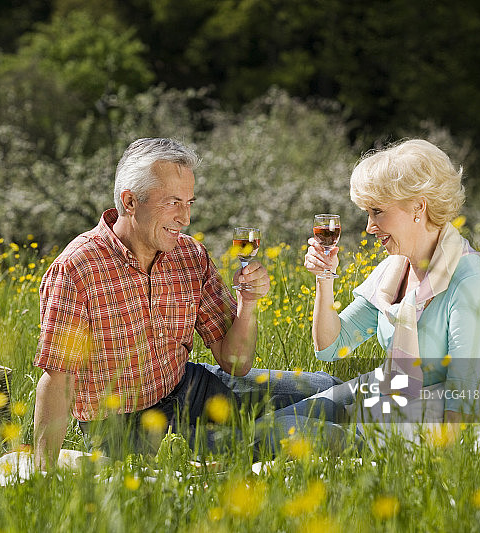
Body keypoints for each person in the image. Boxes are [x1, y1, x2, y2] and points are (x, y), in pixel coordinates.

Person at [32, 138, 338, 468]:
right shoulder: (77, 269)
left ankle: (380, 417)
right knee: (310, 430)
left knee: (328, 388)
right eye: (174, 203)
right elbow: (58, 380)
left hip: (188, 385)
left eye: (189, 203)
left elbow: (236, 364)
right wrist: (41, 472)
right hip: (126, 426)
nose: (186, 218)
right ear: (130, 201)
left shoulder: (190, 255)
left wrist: (247, 303)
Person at [287, 139, 480, 436]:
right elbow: (331, 347)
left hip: (419, 420)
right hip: (383, 391)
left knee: (286, 432)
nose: (369, 227)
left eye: (377, 212)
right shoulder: (393, 269)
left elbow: (461, 397)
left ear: (417, 207)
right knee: (277, 421)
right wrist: (325, 277)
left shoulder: (469, 278)